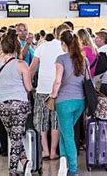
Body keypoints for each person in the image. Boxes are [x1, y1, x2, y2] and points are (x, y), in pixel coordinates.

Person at [0, 29, 33, 176]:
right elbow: (28, 87)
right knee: (16, 139)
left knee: (14, 137)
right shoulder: (21, 64)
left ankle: (25, 162)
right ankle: (12, 171)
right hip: (19, 104)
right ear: (17, 47)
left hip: (1, 104)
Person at [48, 30, 88, 176]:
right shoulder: (83, 59)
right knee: (66, 132)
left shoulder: (61, 58)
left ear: (63, 43)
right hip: (80, 101)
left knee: (68, 135)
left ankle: (73, 169)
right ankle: (63, 164)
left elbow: (58, 80)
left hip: (64, 102)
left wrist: (52, 95)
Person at [29, 24, 69, 161]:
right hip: (58, 89)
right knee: (56, 121)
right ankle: (53, 152)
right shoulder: (63, 48)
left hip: (42, 89)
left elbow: (32, 68)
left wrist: (28, 85)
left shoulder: (41, 47)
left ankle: (45, 151)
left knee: (41, 121)